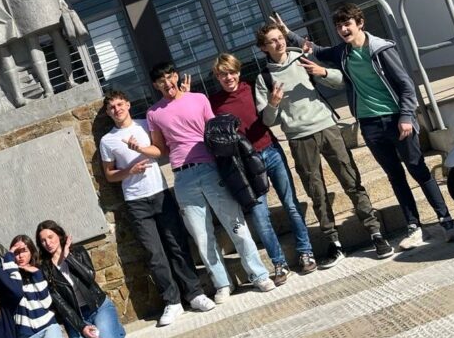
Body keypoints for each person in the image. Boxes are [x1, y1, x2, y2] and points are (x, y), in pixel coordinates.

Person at [278, 4, 454, 250]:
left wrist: (406, 116)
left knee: (417, 169)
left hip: (396, 120)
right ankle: (414, 226)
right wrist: (289, 34)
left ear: (360, 23)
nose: (343, 29)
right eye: (339, 26)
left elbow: (406, 85)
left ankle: (446, 221)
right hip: (370, 124)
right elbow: (318, 50)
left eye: (347, 24)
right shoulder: (343, 53)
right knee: (395, 176)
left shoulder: (380, 49)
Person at [127, 61, 276, 303]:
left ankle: (258, 274)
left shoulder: (198, 99)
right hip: (182, 176)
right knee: (202, 235)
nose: (167, 83)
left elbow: (215, 133)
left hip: (210, 168)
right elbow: (161, 149)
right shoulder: (154, 113)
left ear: (175, 76)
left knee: (235, 224)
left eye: (169, 77)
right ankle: (222, 283)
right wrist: (141, 148)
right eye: (161, 81)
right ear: (155, 85)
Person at [255, 23, 384, 268]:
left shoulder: (302, 57)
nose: (279, 43)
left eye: (280, 38)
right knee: (317, 192)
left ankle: (375, 232)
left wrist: (321, 72)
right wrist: (272, 103)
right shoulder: (264, 78)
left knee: (351, 179)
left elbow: (341, 80)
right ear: (263, 47)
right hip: (299, 137)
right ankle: (334, 244)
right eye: (272, 41)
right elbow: (267, 120)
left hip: (327, 126)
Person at [99, 90, 215, 326]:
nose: (117, 109)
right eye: (112, 107)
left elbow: (162, 150)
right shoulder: (107, 140)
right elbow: (109, 175)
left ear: (128, 104)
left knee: (177, 244)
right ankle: (172, 302)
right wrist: (128, 172)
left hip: (160, 193)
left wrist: (140, 149)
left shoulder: (145, 125)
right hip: (135, 201)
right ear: (108, 112)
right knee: (154, 254)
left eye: (120, 104)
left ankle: (194, 294)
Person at [209, 54, 317, 281]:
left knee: (290, 203)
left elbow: (269, 116)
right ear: (217, 77)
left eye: (231, 72)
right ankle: (279, 264)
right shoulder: (213, 103)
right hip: (245, 165)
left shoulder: (253, 88)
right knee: (260, 216)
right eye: (222, 74)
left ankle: (306, 253)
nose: (228, 77)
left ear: (238, 71)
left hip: (271, 151)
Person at [35, 221, 126, 338]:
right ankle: (98, 335)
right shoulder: (45, 269)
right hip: (76, 317)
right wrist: (81, 327)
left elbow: (90, 277)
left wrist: (68, 258)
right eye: (43, 240)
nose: (48, 243)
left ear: (59, 235)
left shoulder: (77, 252)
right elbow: (60, 303)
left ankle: (117, 329)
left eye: (50, 237)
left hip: (98, 307)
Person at [8, 235, 75, 338]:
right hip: (26, 336)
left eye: (24, 251)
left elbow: (46, 303)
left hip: (47, 326)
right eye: (16, 252)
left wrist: (36, 274)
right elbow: (12, 293)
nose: (20, 256)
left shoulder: (39, 270)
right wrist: (9, 259)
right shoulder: (9, 276)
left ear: (31, 251)